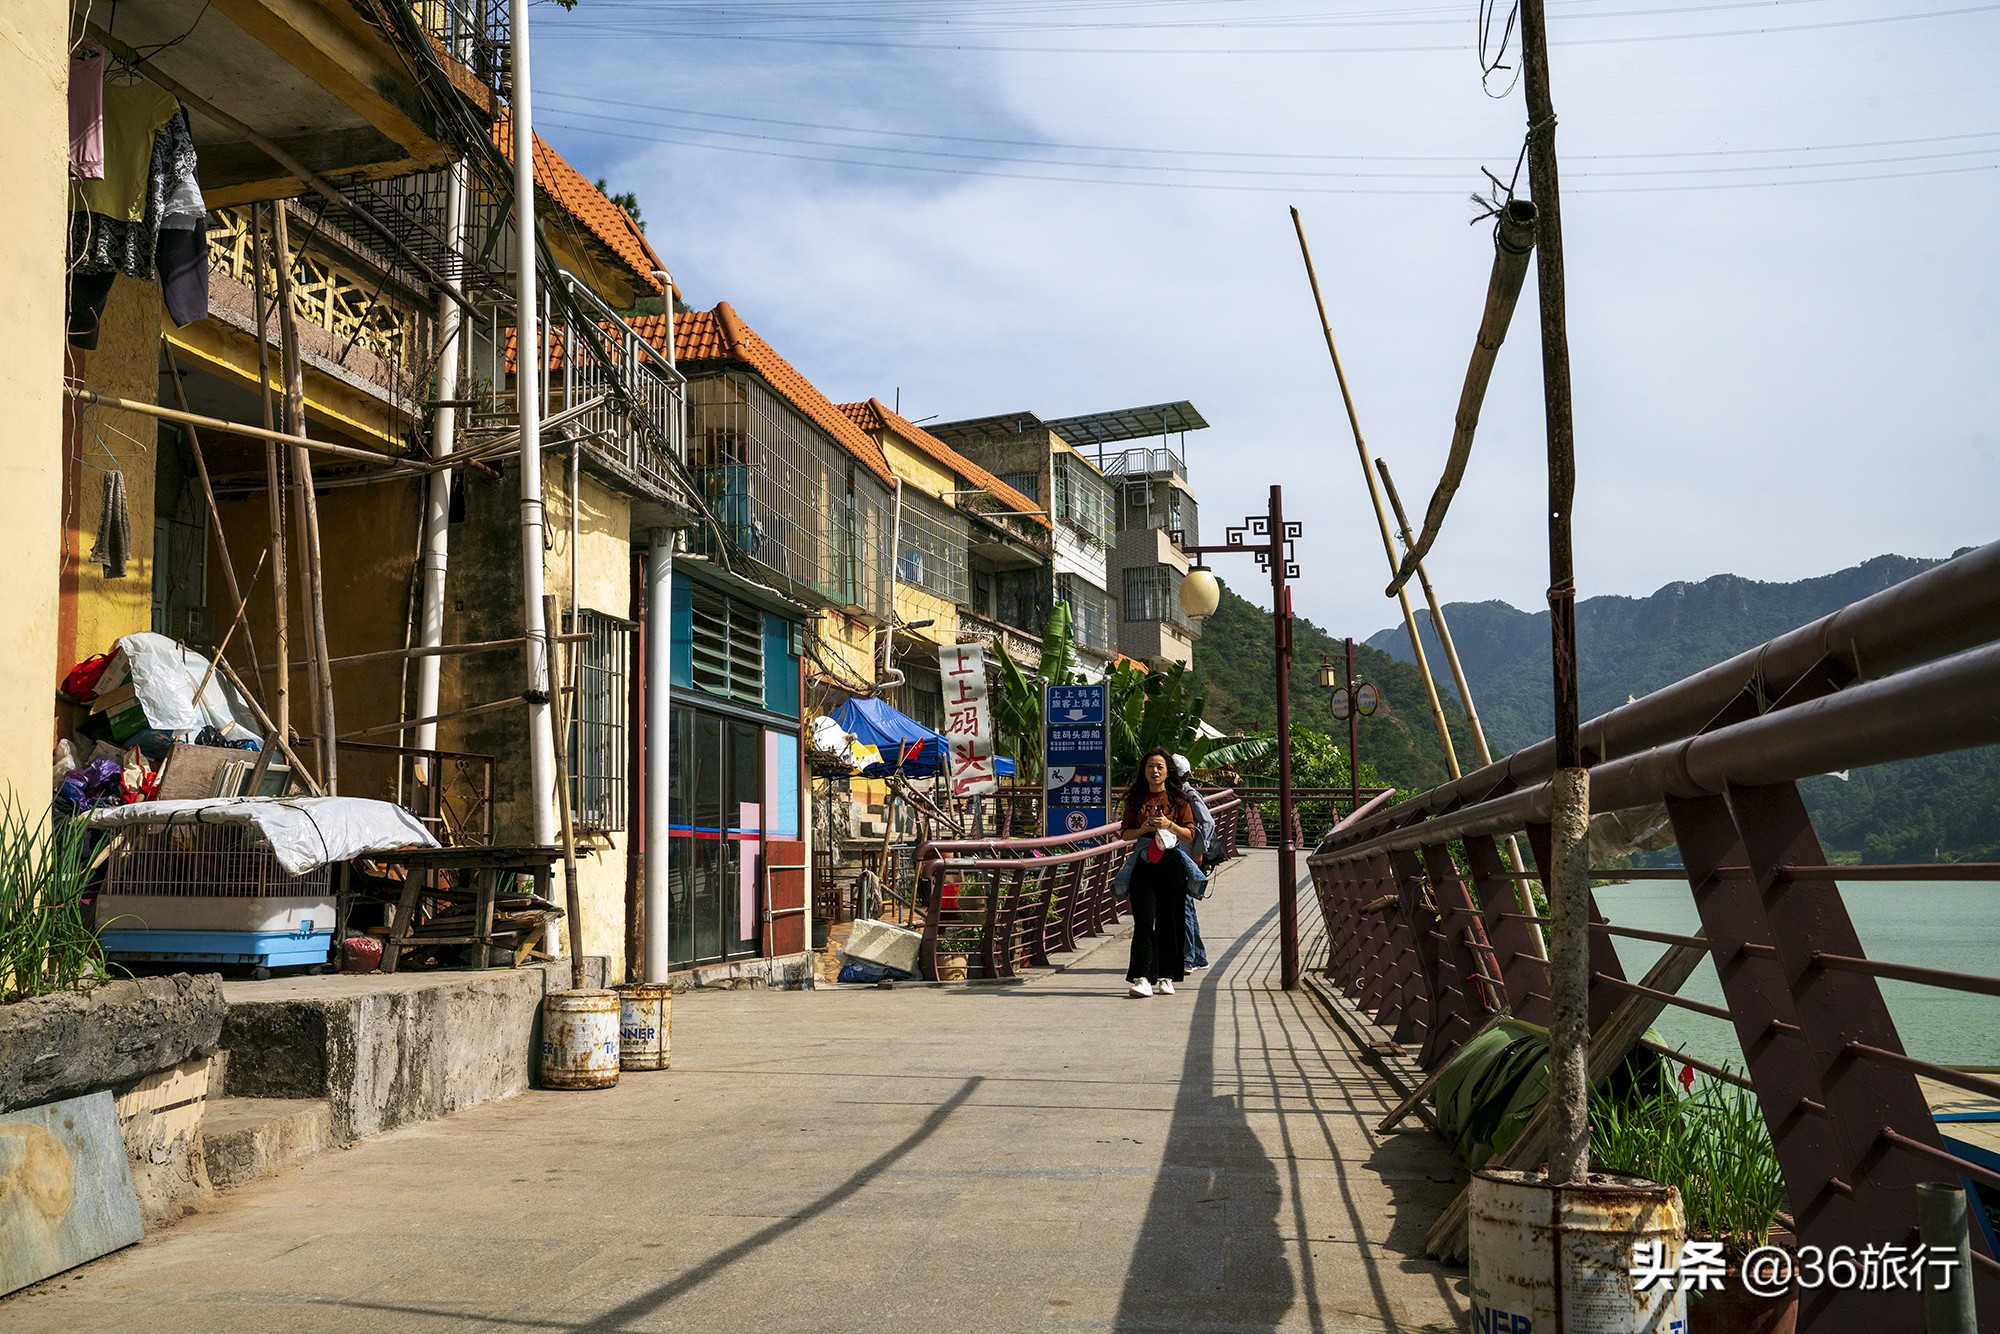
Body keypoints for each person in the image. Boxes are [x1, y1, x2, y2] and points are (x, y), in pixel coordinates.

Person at [1118, 747, 1203, 997]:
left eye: (1159, 767)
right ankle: (1142, 977)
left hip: (1171, 862)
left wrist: (1169, 825)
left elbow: (1190, 833)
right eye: (1149, 767)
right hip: (1144, 862)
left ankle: (1167, 976)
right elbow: (1124, 834)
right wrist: (1143, 827)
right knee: (1143, 921)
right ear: (1143, 771)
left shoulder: (1179, 800)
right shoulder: (1136, 800)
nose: (1154, 771)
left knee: (1170, 920)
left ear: (1167, 772)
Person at [1175, 754, 1215, 971]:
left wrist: (1199, 852)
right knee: (1187, 906)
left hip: (1188, 856)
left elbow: (1207, 823)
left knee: (1184, 907)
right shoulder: (1180, 794)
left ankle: (1187, 959)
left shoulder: (1188, 795)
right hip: (1184, 855)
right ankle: (1198, 956)